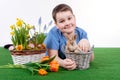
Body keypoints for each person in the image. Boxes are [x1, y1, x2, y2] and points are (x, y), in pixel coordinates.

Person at [44, 3, 94, 70]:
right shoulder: (53, 34)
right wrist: (61, 63)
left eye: (69, 18)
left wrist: (86, 43)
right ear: (56, 25)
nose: (67, 23)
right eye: (62, 21)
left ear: (74, 18)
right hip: (49, 49)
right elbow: (52, 56)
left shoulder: (81, 33)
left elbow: (91, 58)